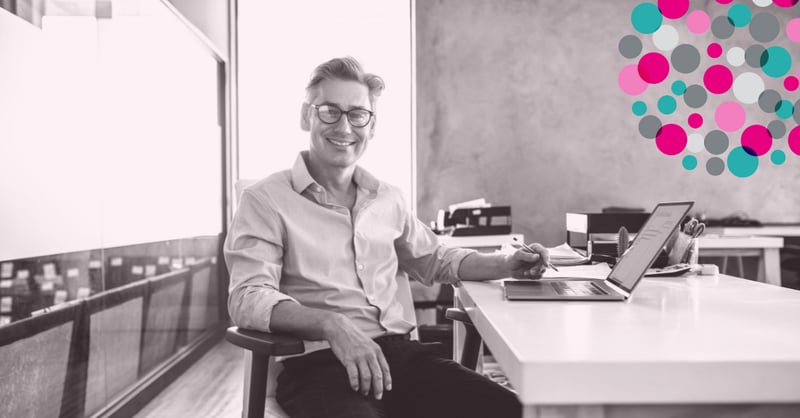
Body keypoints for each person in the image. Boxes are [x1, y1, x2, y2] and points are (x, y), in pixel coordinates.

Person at [225, 56, 550, 418]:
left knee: (516, 411)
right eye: (330, 111)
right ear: (307, 116)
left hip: (404, 360)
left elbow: (435, 258)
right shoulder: (265, 200)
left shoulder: (388, 197)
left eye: (357, 114)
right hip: (320, 367)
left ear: (371, 125)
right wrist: (332, 325)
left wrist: (506, 264)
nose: (344, 126)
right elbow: (247, 296)